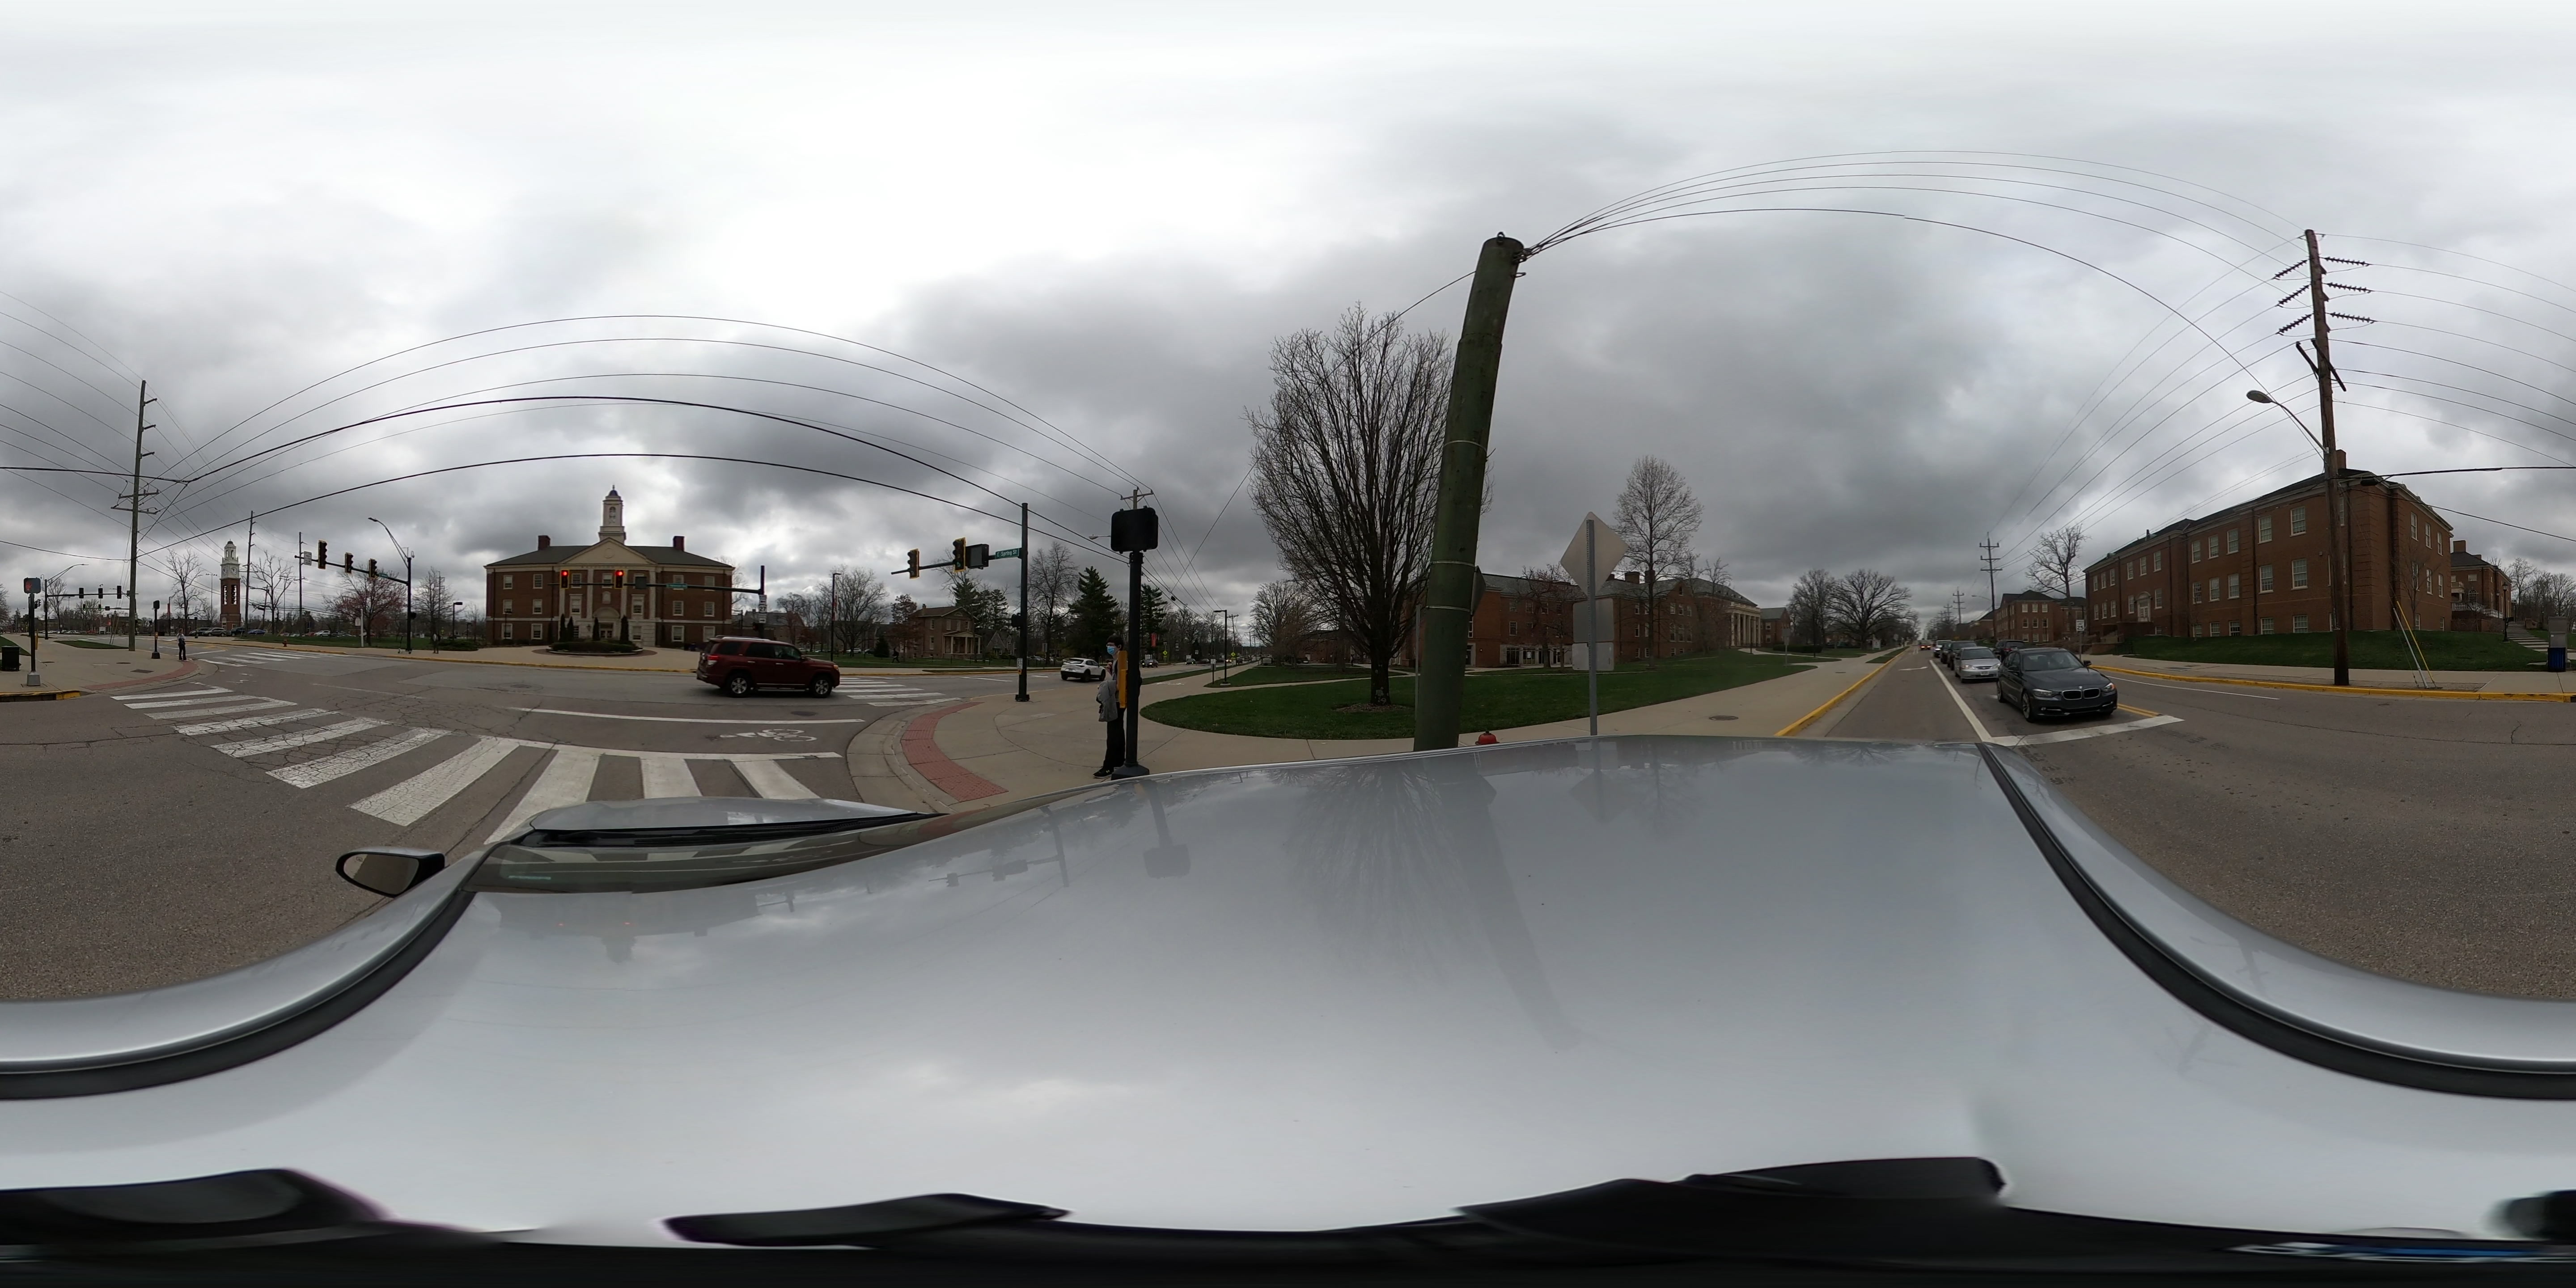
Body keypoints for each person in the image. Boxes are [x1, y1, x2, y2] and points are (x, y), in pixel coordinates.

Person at [1094, 644, 1125, 778]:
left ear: (1119, 647)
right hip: (1119, 701)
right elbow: (1119, 680)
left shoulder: (1121, 661)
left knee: (1112, 734)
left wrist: (1104, 686)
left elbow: (1119, 685)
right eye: (1107, 645)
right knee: (1118, 731)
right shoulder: (1118, 661)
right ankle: (1120, 761)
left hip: (1117, 701)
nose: (1109, 647)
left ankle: (1109, 767)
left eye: (1111, 645)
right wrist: (1111, 673)